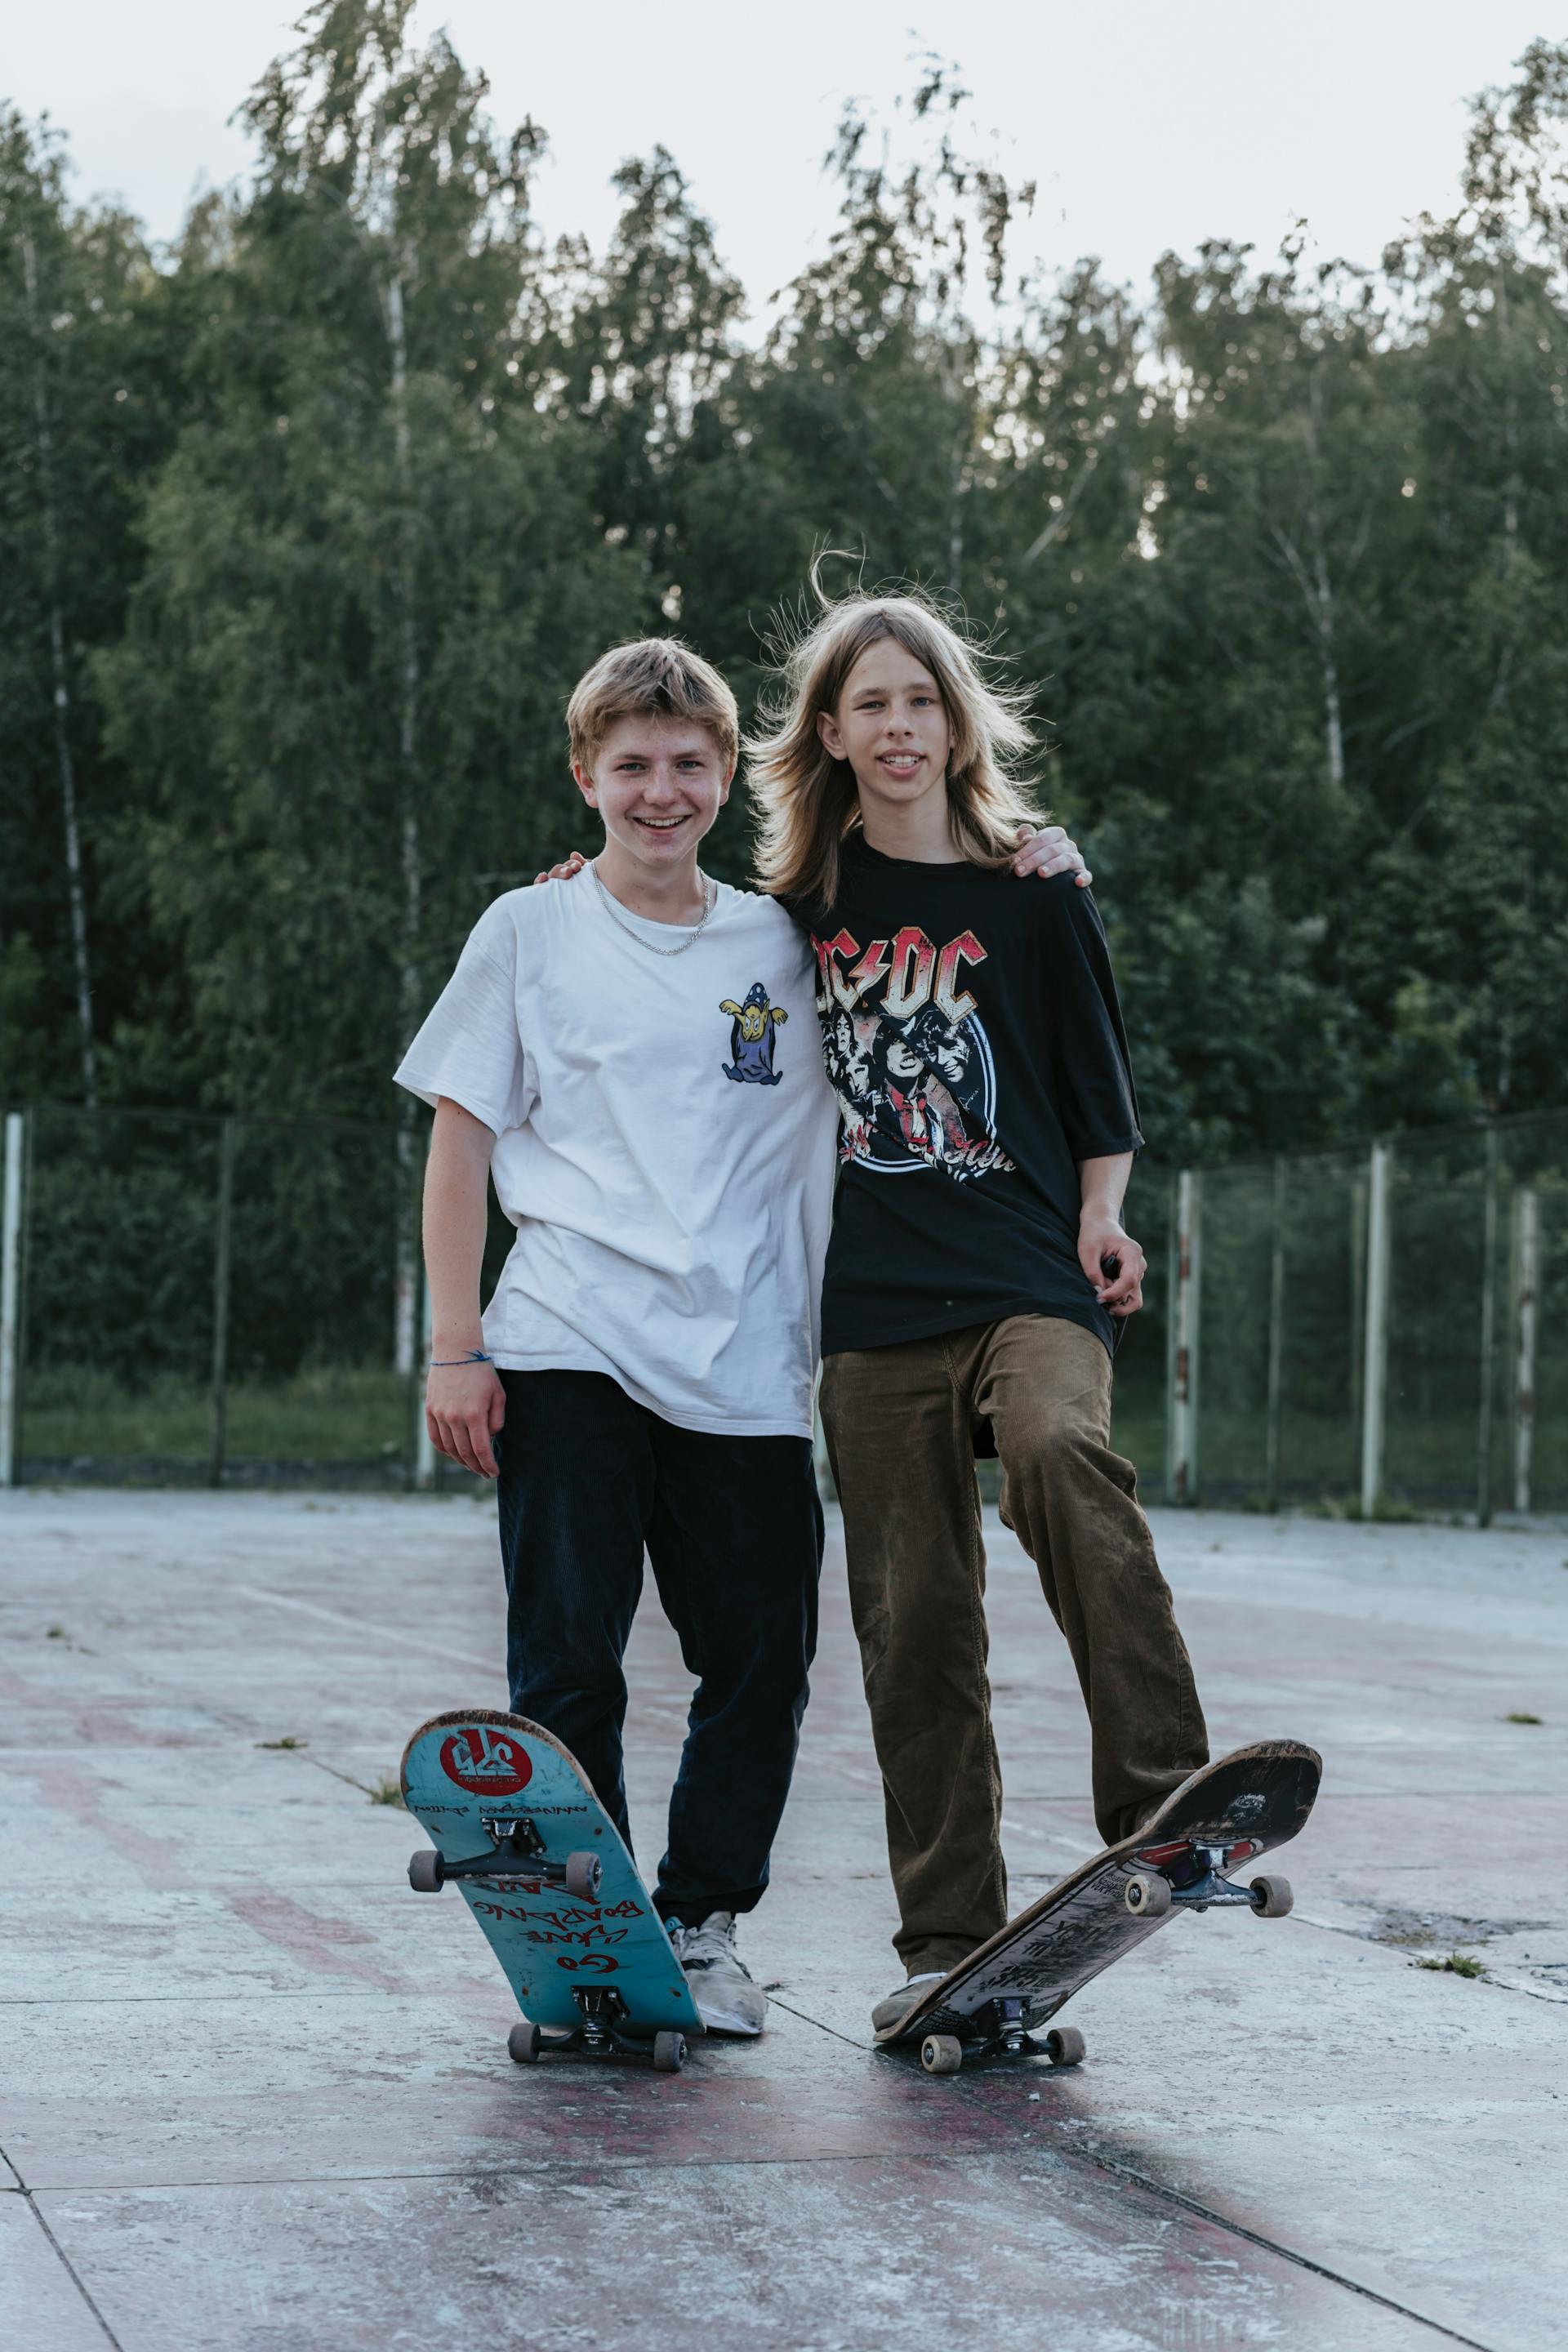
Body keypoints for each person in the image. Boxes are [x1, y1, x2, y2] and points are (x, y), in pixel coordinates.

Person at [401, 632, 1080, 2034]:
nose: (661, 791)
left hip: (747, 1365)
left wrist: (1033, 859)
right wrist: (454, 1345)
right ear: (586, 774)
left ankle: (701, 1926)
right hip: (565, 1335)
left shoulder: (786, 935)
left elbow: (941, 955)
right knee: (571, 1655)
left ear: (727, 777)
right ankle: (588, 1930)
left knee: (762, 1661)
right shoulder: (526, 930)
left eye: (689, 765)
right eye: (633, 766)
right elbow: (460, 1141)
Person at [747, 586, 1211, 2035]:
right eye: (872, 703)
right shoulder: (793, 916)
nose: (900, 726)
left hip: (1027, 1273)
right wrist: (585, 884)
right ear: (831, 731)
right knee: (915, 1616)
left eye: (923, 701)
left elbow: (1098, 1081)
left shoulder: (1037, 888)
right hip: (873, 1306)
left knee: (1064, 1455)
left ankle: (1168, 1797)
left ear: (957, 724)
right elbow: (666, 945)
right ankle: (946, 1935)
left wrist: (1101, 1214)